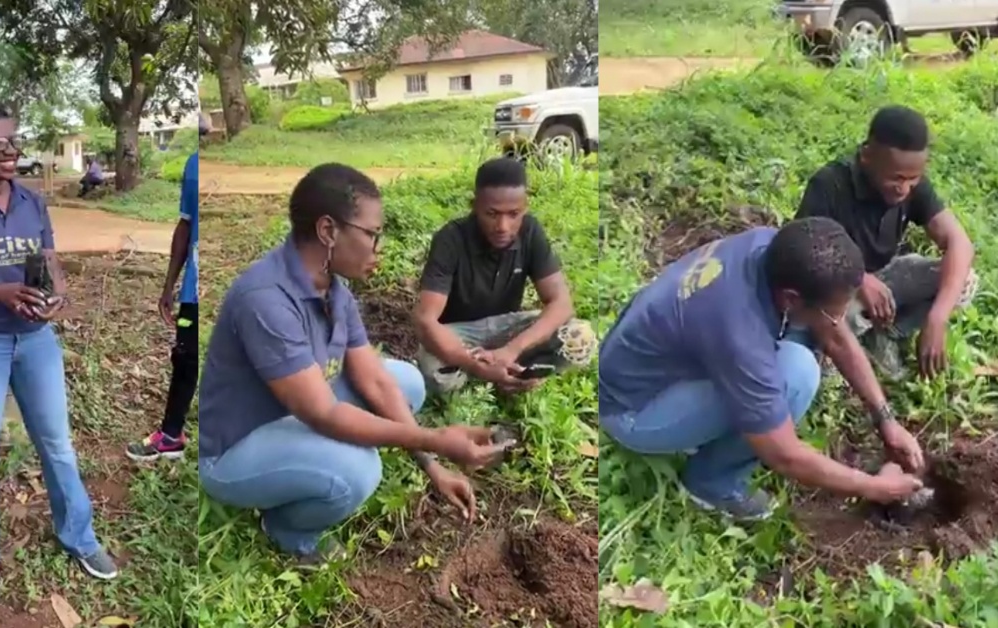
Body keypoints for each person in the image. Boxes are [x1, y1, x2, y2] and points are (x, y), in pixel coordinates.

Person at [197, 163, 510, 565]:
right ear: (328, 231)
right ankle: (289, 529)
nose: (379, 248)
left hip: (291, 409)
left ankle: (310, 465)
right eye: (372, 234)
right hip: (236, 449)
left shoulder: (333, 288)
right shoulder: (266, 300)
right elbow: (324, 413)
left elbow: (374, 380)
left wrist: (432, 465)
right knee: (358, 470)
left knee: (405, 382)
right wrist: (436, 437)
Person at [597, 217, 925, 522]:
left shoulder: (772, 248)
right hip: (633, 410)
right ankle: (712, 483)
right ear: (792, 299)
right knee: (796, 376)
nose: (839, 321)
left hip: (650, 361)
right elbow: (784, 455)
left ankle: (703, 434)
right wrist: (874, 487)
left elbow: (835, 336)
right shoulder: (740, 335)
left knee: (796, 357)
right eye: (833, 313)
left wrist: (886, 419)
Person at [0, 104, 118, 602]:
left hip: (35, 343)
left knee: (57, 444)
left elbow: (49, 261)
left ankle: (80, 538)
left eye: (15, 140)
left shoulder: (32, 202)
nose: (11, 150)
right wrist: (0, 293)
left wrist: (56, 298)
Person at [796, 105, 976, 380]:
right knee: (837, 317)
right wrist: (858, 278)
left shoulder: (913, 187)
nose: (904, 188)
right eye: (896, 178)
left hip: (885, 276)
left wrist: (937, 318)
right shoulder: (830, 185)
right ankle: (838, 350)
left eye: (913, 179)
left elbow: (959, 242)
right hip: (837, 289)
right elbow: (801, 254)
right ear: (867, 156)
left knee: (963, 280)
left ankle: (885, 335)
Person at [413, 157, 596, 395]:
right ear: (474, 206)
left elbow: (561, 304)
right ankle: (483, 376)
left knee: (580, 337)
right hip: (461, 336)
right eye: (492, 214)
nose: (503, 226)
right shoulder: (450, 239)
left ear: (525, 207)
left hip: (508, 329)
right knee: (431, 368)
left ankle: (517, 373)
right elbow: (425, 320)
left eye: (513, 214)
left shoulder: (530, 231)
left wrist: (512, 349)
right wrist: (474, 365)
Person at [126, 150, 199, 461]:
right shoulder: (193, 164)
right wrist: (170, 285)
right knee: (184, 357)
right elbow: (185, 225)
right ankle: (171, 435)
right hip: (193, 293)